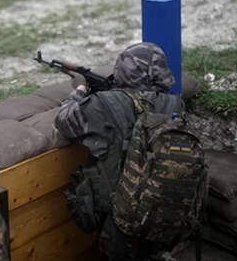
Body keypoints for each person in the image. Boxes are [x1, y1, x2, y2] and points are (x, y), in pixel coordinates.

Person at [55, 42, 185, 261]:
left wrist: (79, 89)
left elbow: (63, 120)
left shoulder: (103, 104)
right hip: (162, 207)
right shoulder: (175, 104)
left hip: (120, 213)